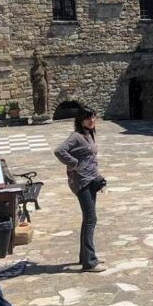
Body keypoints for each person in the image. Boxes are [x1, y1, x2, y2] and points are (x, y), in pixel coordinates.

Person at [55, 107, 107, 273]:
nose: (91, 121)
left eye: (93, 118)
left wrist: (97, 176)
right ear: (80, 120)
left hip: (91, 181)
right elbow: (59, 151)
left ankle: (85, 256)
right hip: (82, 183)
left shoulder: (88, 135)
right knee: (91, 219)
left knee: (89, 219)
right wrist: (75, 164)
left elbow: (90, 158)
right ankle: (89, 262)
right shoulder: (76, 136)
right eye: (88, 118)